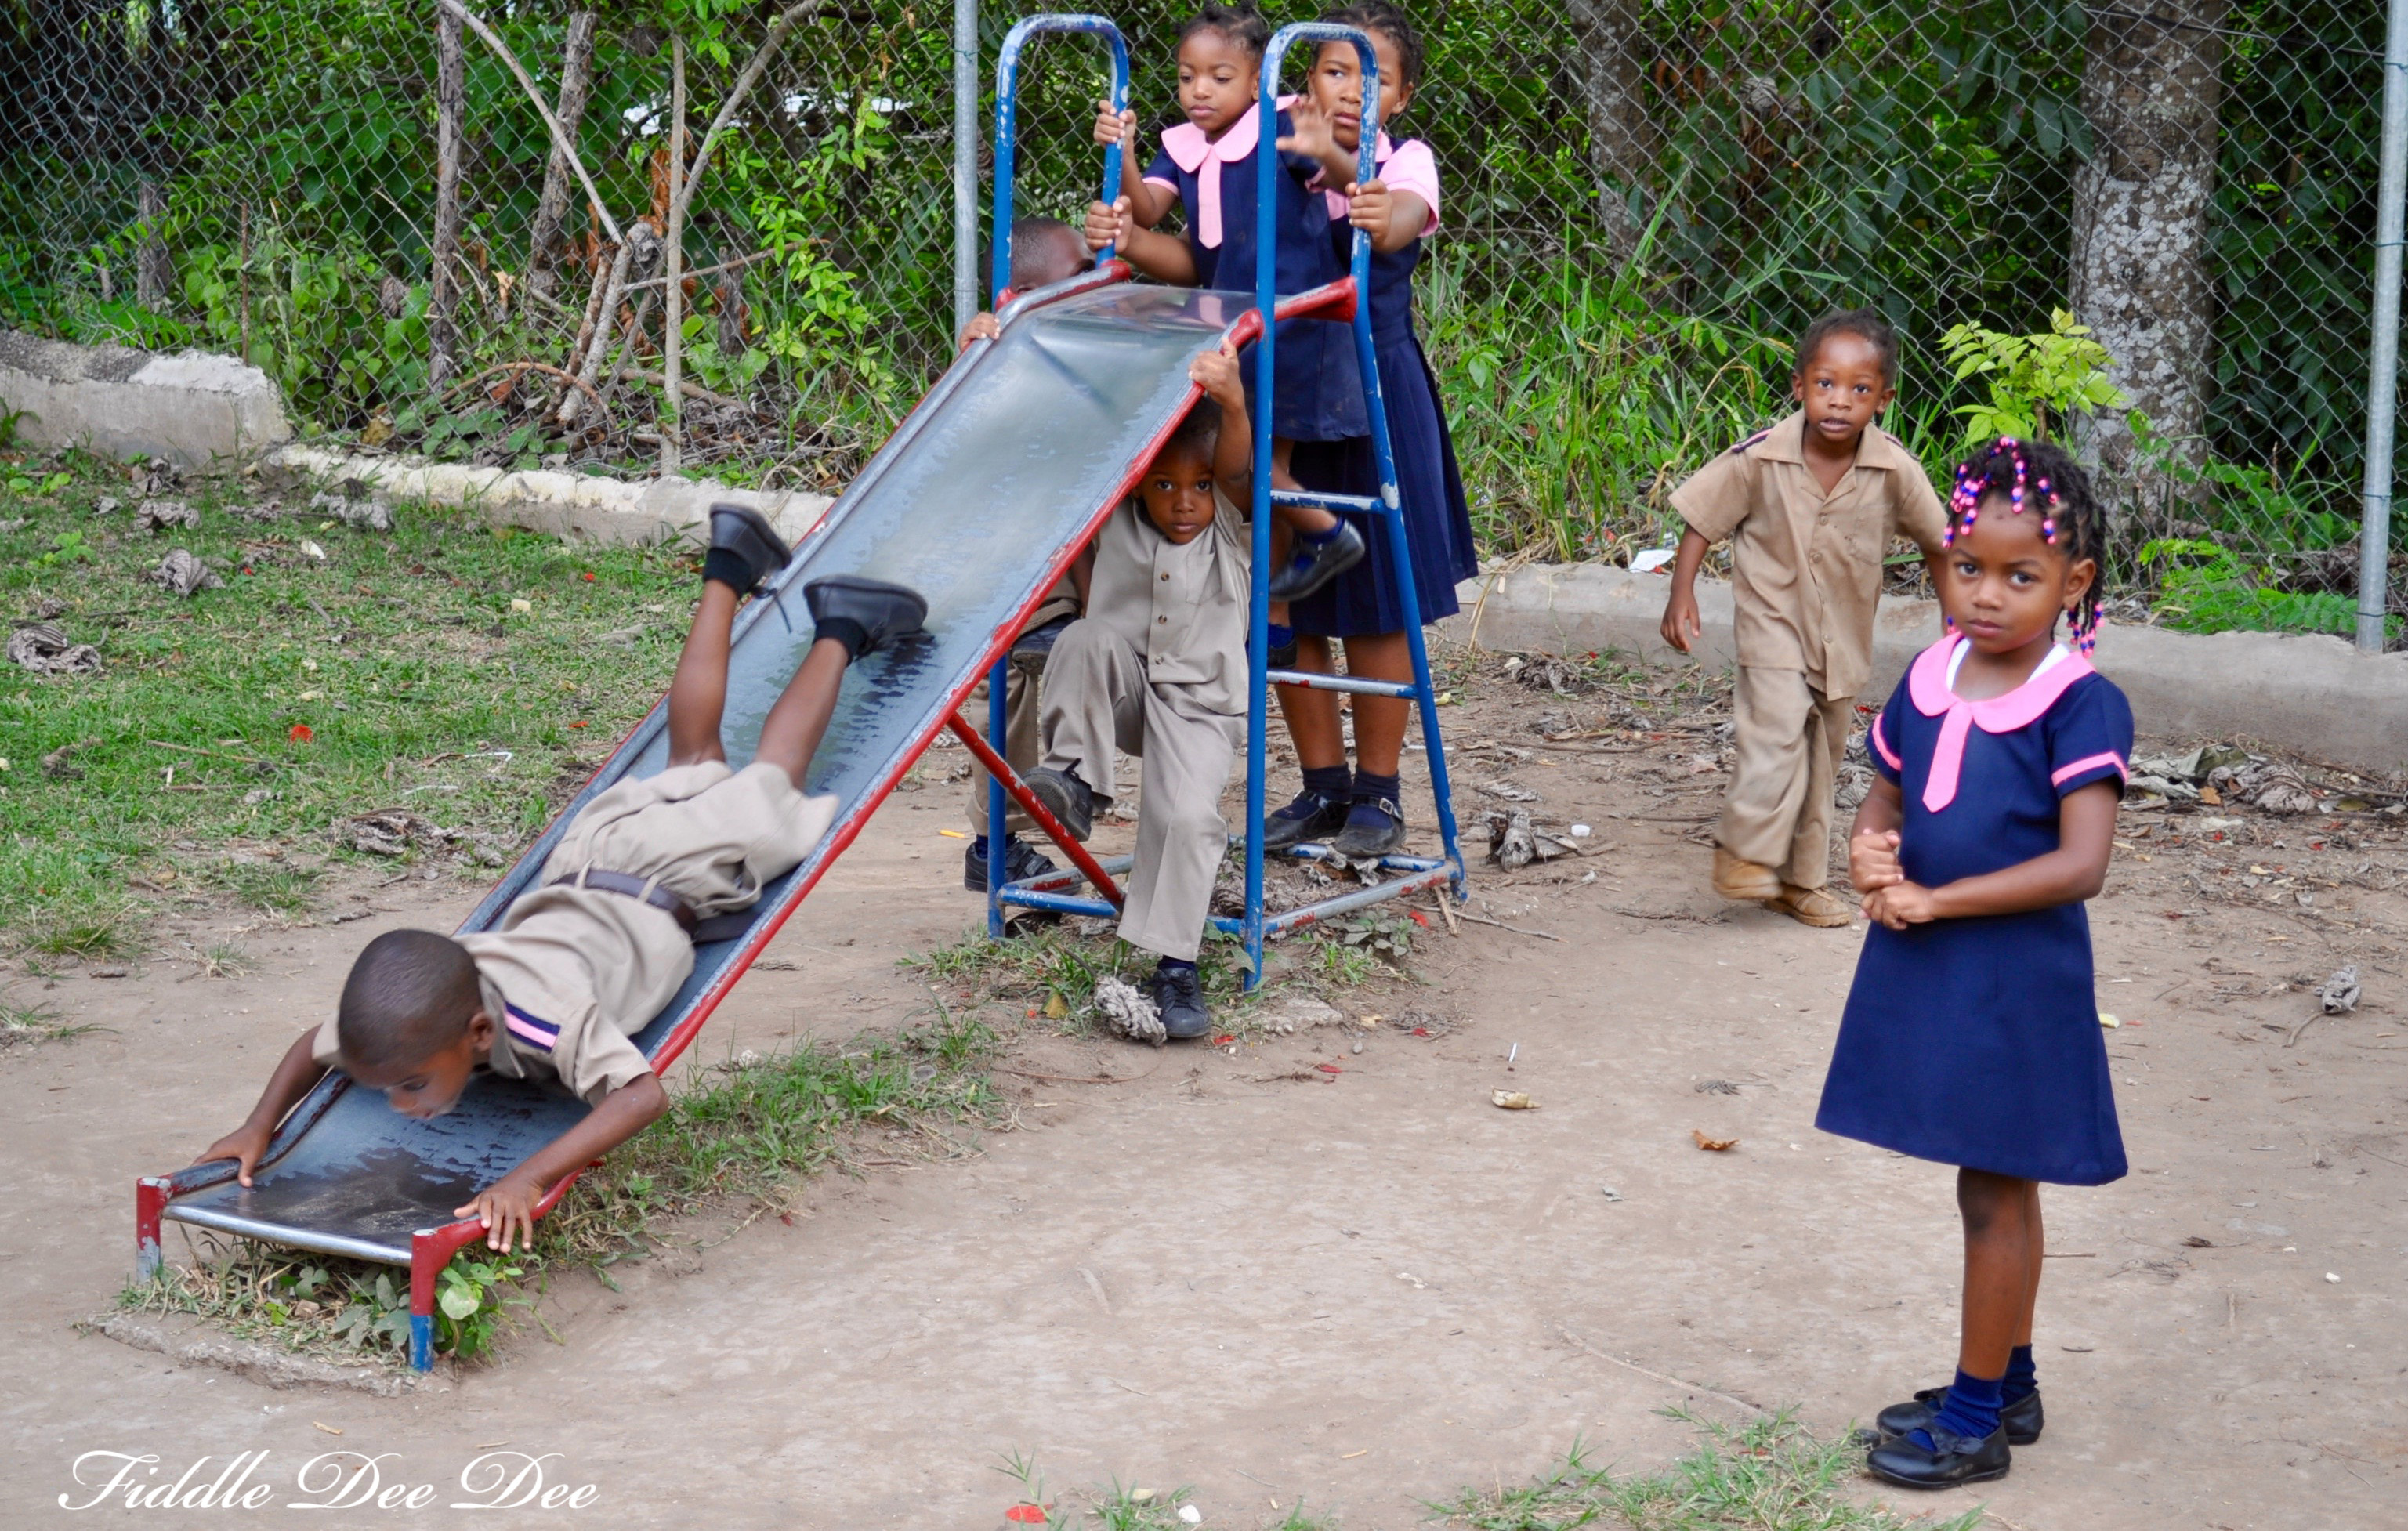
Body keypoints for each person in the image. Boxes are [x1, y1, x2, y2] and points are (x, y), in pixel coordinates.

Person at [196, 509, 930, 1253]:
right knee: (692, 758)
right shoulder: (417, 1014)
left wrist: (529, 1176)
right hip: (591, 856)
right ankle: (729, 565)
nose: (400, 1103)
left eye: (411, 1085)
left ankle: (843, 626)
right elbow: (313, 1044)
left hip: (667, 868)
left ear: (480, 1033)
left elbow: (641, 1097)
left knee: (774, 776)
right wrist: (261, 1126)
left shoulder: (540, 1020)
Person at [1819, 437, 2130, 1489]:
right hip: (1939, 971)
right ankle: (2008, 1386)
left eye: (2019, 575)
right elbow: (1888, 794)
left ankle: (1970, 1423)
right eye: (1966, 567)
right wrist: (1869, 849)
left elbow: (2082, 865)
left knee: (1998, 1191)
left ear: (2073, 582)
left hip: (2016, 987)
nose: (1985, 595)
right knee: (1984, 1183)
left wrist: (1936, 898)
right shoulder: (1931, 673)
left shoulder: (2078, 701)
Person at [1262, 1, 1479, 856]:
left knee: (1379, 604)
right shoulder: (1271, 152)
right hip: (1287, 394)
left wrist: (1336, 161)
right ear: (1306, 83)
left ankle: (1378, 795)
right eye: (1334, 71)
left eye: (1373, 76)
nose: (1352, 90)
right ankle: (1321, 784)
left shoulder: (1406, 163)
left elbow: (1390, 223)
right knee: (1291, 596)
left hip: (1375, 394)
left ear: (1402, 97)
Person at [1658, 309, 1949, 925]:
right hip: (1771, 624)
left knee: (1822, 761)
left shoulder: (1895, 469)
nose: (1839, 400)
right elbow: (1702, 520)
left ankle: (1798, 882)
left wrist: (1955, 627)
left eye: (1859, 389)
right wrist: (1681, 593)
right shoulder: (1759, 458)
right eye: (1824, 384)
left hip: (1842, 640)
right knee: (1776, 727)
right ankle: (1744, 849)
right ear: (1799, 387)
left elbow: (1939, 543)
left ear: (1883, 399)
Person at [1085, 2, 1367, 605]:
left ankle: (1323, 539)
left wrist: (1326, 149)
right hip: (1238, 327)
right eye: (1187, 77)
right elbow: (1148, 211)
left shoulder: (1279, 127)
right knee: (1246, 462)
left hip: (1293, 324)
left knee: (1249, 458)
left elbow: (1345, 181)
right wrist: (1124, 152)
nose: (1199, 91)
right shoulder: (1184, 144)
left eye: (1220, 77)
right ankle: (1284, 587)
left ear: (1257, 76)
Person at [1019, 342, 1255, 1040]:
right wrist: (996, 349)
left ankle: (1175, 966)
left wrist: (1233, 402)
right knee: (1083, 638)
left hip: (1199, 707)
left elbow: (1235, 469)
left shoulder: (1230, 527)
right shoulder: (1113, 513)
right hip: (1121, 693)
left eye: (1198, 485)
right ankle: (1073, 778)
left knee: (1187, 820)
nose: (1183, 502)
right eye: (1163, 485)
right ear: (1135, 485)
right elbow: (1066, 438)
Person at [955, 216, 1097, 896]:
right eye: (1081, 276)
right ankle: (995, 843)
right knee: (1008, 672)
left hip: (1078, 553)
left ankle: (1061, 791)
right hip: (1016, 561)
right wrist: (973, 367)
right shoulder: (996, 354)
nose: (1099, 284)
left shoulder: (1103, 347)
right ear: (1028, 295)